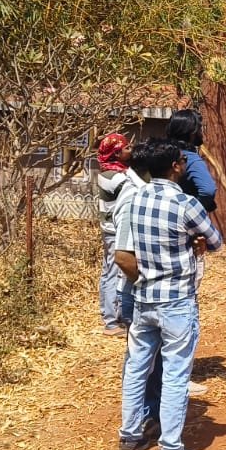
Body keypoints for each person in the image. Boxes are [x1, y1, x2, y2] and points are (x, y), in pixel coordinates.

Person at [114, 140, 223, 450]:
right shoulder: (185, 203)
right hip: (176, 301)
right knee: (175, 375)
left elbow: (123, 254)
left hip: (143, 297)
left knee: (136, 368)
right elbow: (216, 241)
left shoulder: (133, 199)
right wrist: (192, 241)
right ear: (176, 166)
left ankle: (130, 437)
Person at [95, 132, 134, 335]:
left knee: (110, 270)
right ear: (116, 153)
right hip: (114, 230)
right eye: (126, 148)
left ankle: (112, 314)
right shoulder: (116, 177)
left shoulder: (109, 172)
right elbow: (135, 191)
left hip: (109, 228)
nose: (130, 150)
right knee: (112, 272)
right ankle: (110, 321)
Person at [166, 109, 218, 213]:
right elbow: (208, 191)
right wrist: (192, 212)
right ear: (192, 133)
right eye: (199, 128)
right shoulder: (192, 160)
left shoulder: (165, 153)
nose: (201, 132)